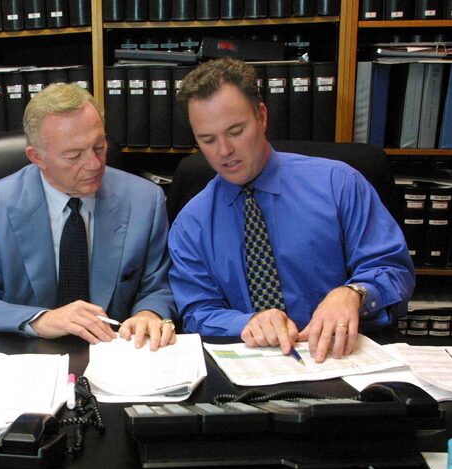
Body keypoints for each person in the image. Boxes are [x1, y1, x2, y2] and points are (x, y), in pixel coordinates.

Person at [169, 58, 414, 362]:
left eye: (235, 131)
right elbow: (197, 312)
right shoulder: (191, 224)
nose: (224, 151)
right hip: (254, 364)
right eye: (208, 139)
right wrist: (246, 322)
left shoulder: (339, 184)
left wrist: (354, 294)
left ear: (261, 116)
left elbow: (394, 269)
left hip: (345, 356)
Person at [0, 83, 177, 350]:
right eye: (73, 155)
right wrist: (41, 320)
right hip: (26, 358)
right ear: (37, 157)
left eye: (99, 147)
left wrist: (149, 314)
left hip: (116, 354)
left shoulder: (145, 200)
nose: (94, 164)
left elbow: (159, 287)